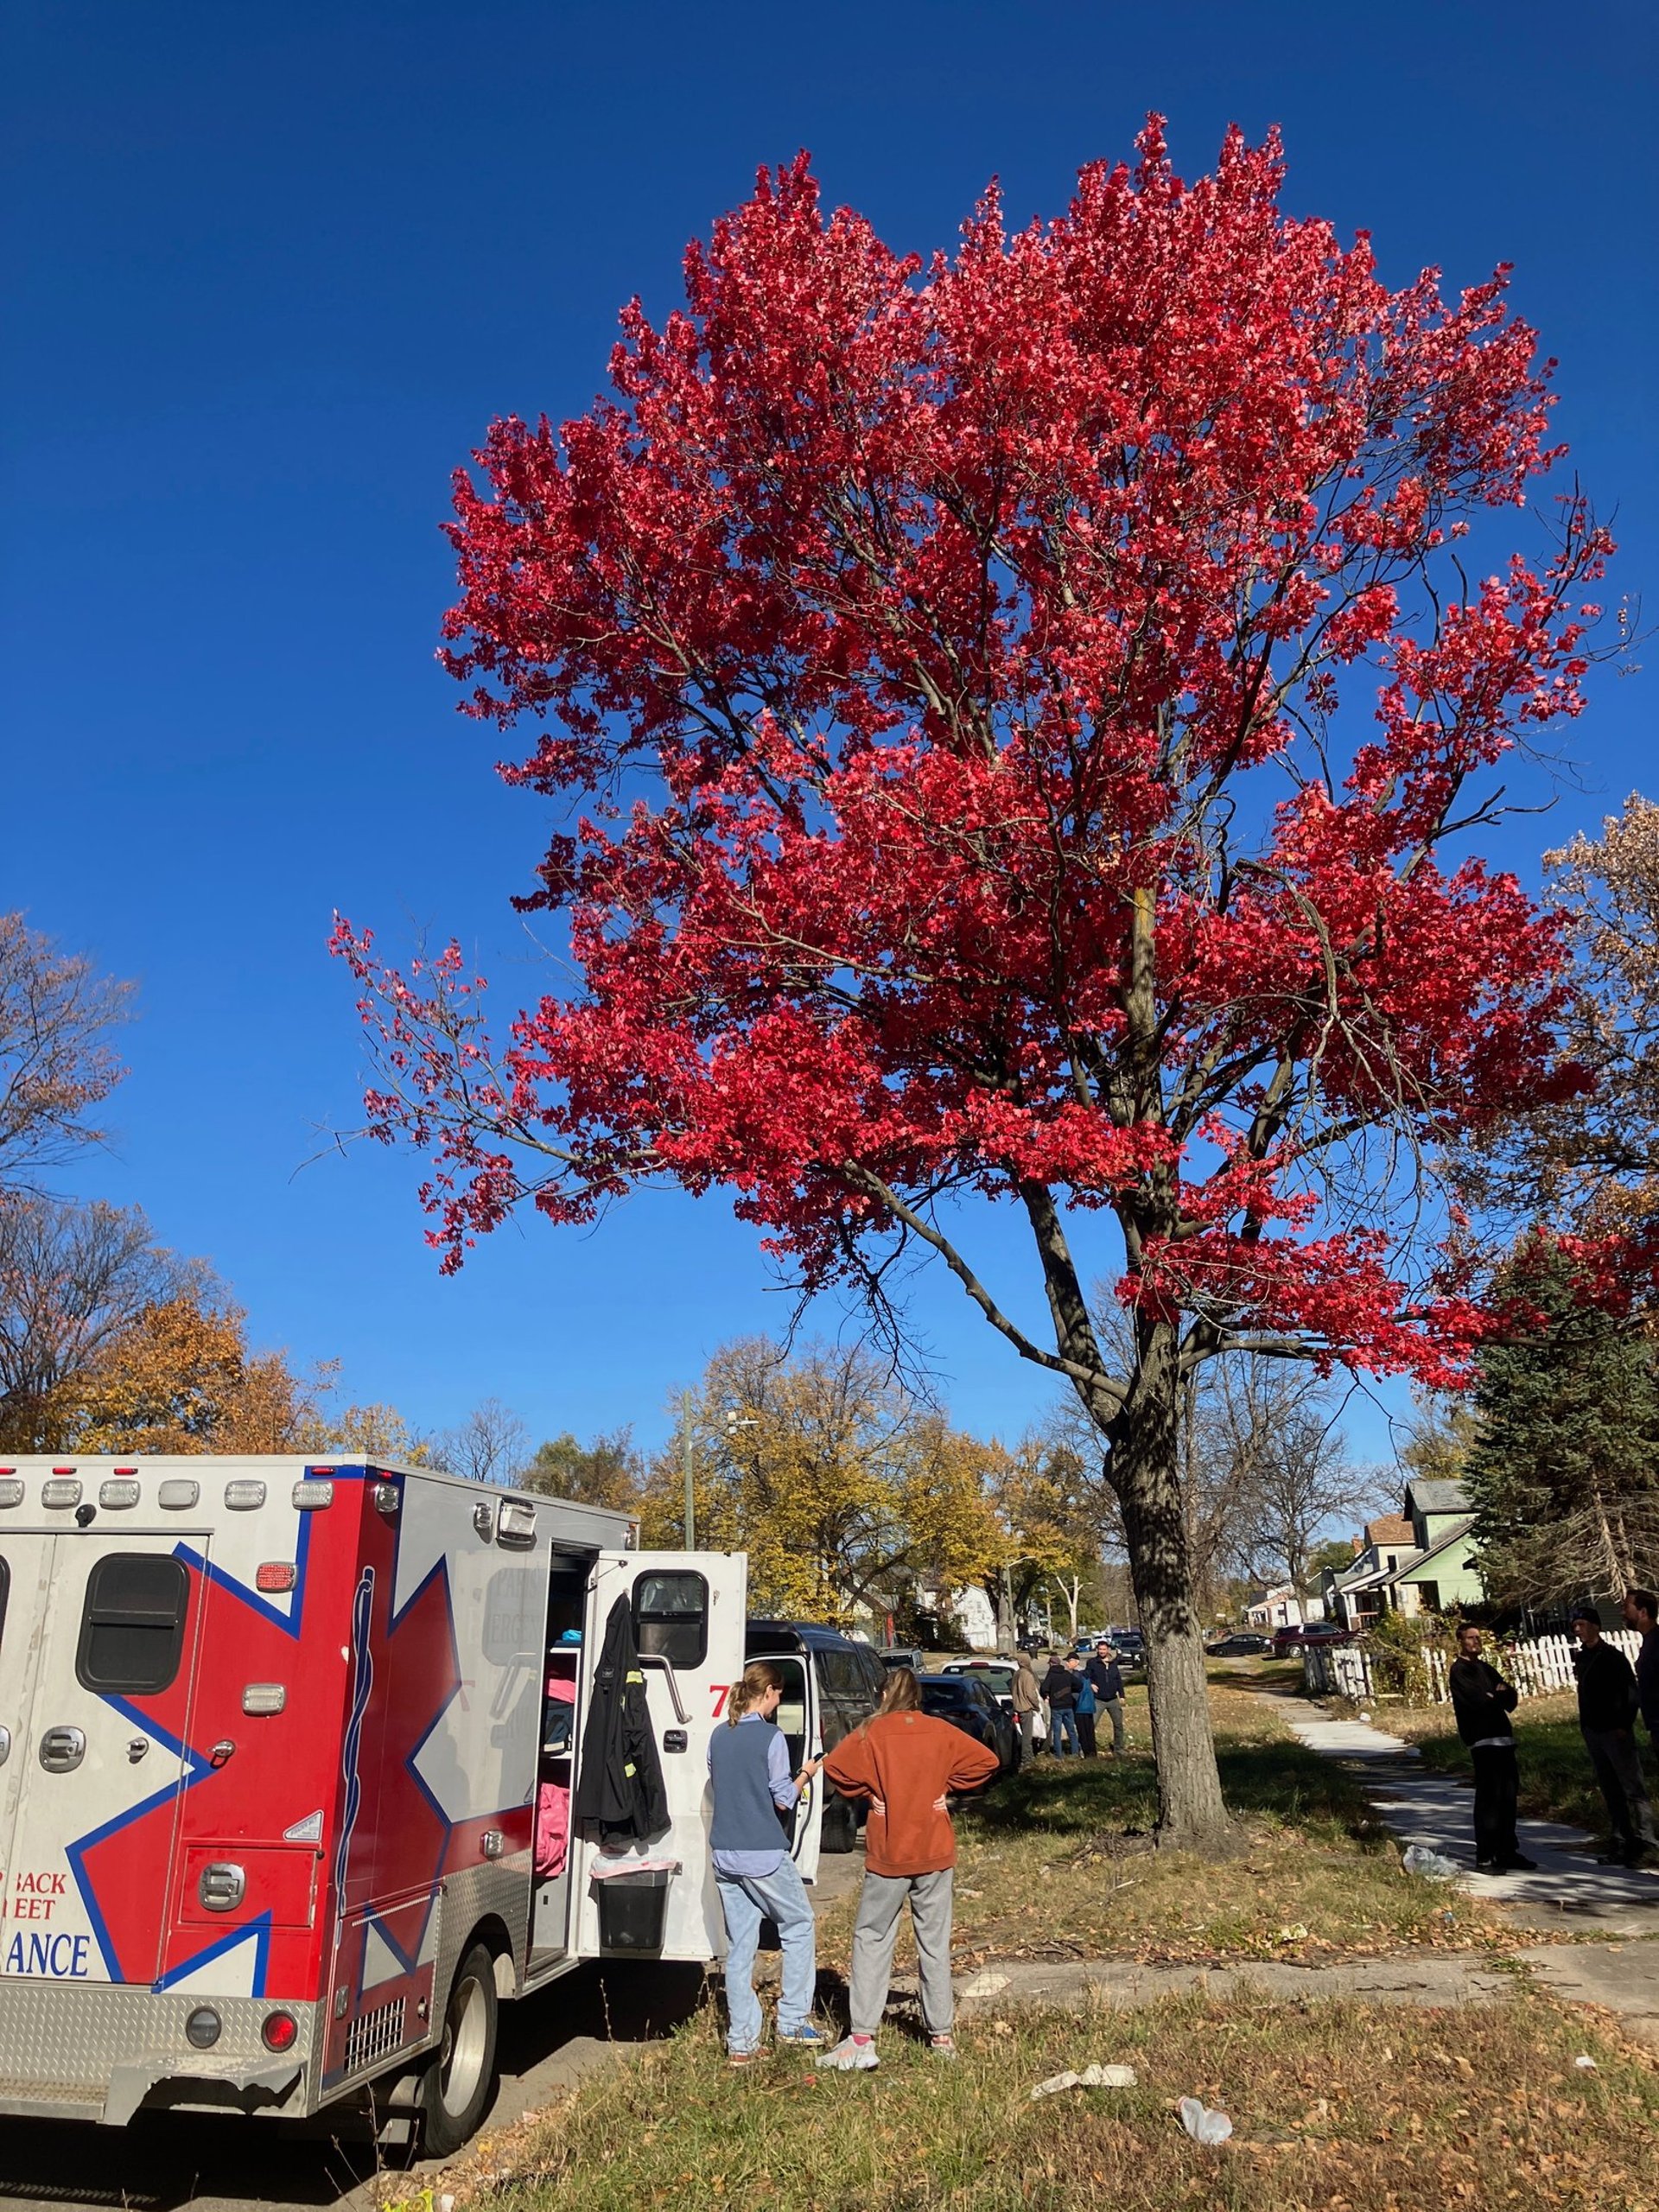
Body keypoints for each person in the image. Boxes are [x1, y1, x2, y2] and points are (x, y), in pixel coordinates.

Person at [819, 1667, 999, 2069]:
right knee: (933, 1943)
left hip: (889, 1852)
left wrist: (870, 1792)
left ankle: (862, 2037)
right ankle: (942, 2036)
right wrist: (944, 1787)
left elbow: (835, 1768)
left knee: (872, 1937)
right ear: (918, 1697)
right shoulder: (939, 1731)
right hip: (934, 1848)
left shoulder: (871, 1733)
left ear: (885, 1696)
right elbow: (986, 1761)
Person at [706, 1662, 825, 2065]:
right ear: (770, 1692)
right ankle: (792, 2023)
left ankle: (742, 2043)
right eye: (779, 1695)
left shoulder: (718, 1736)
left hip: (724, 1851)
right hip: (763, 1851)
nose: (778, 1703)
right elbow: (782, 1799)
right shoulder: (772, 1737)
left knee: (741, 1946)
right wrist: (805, 1775)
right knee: (799, 1924)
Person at [1570, 1604, 1659, 1870]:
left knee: (1633, 1787)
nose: (1578, 1630)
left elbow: (1631, 1692)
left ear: (1595, 1626)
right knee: (1611, 1789)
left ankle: (1648, 1842)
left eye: (1582, 1625)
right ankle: (1622, 1840)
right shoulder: (1582, 1658)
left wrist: (1623, 1723)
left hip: (1615, 1730)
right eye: (1575, 1626)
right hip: (1593, 1731)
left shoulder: (1612, 1657)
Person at [1446, 1624, 1535, 1873]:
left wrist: (1498, 1695)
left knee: (1508, 1796)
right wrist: (1495, 1696)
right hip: (1483, 1742)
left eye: (1478, 1637)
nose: (1476, 1641)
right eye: (1470, 1638)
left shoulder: (1486, 1668)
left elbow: (1511, 1699)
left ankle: (1507, 1850)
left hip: (1504, 1740)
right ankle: (1485, 1855)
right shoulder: (1460, 1671)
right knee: (1489, 1800)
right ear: (1461, 1641)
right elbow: (1477, 1702)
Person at [1620, 1587, 1659, 1747]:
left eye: (1627, 1608)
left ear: (1642, 1612)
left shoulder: (1657, 1643)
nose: (1623, 1613)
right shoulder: (1650, 1642)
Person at [1085, 1645, 1128, 1758]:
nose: (1102, 1651)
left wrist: (1122, 1695)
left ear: (1108, 1650)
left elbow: (1118, 1679)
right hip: (1098, 1699)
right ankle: (1089, 1750)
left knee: (1118, 1725)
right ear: (1097, 1650)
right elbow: (1086, 1676)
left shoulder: (1113, 1664)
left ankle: (1119, 1749)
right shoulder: (1092, 1662)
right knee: (1091, 1725)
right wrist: (1091, 1684)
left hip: (1113, 1699)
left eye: (1104, 1649)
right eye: (1100, 1649)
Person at [1040, 1650, 1081, 1757]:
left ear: (1051, 1664)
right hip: (1068, 1706)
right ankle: (1075, 1752)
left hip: (1056, 1708)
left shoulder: (1051, 1675)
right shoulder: (1067, 1674)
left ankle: (1059, 1755)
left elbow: (1043, 1688)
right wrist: (1070, 1690)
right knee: (1071, 1731)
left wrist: (1047, 1695)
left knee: (1057, 1733)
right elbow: (1079, 1684)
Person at [1010, 1650, 1043, 1762]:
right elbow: (1030, 1693)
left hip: (1018, 1707)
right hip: (1026, 1708)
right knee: (1027, 1736)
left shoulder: (1017, 1674)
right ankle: (1027, 1757)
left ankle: (1026, 1755)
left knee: (1025, 1734)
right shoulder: (1027, 1675)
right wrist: (1037, 1705)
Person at [1067, 1652, 1099, 1758]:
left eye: (1069, 1661)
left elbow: (1075, 1692)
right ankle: (1093, 1752)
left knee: (1082, 1732)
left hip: (1080, 1706)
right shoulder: (1086, 1674)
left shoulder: (1075, 1675)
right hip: (1089, 1706)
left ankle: (1086, 1753)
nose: (1067, 1663)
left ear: (1076, 1662)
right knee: (1090, 1731)